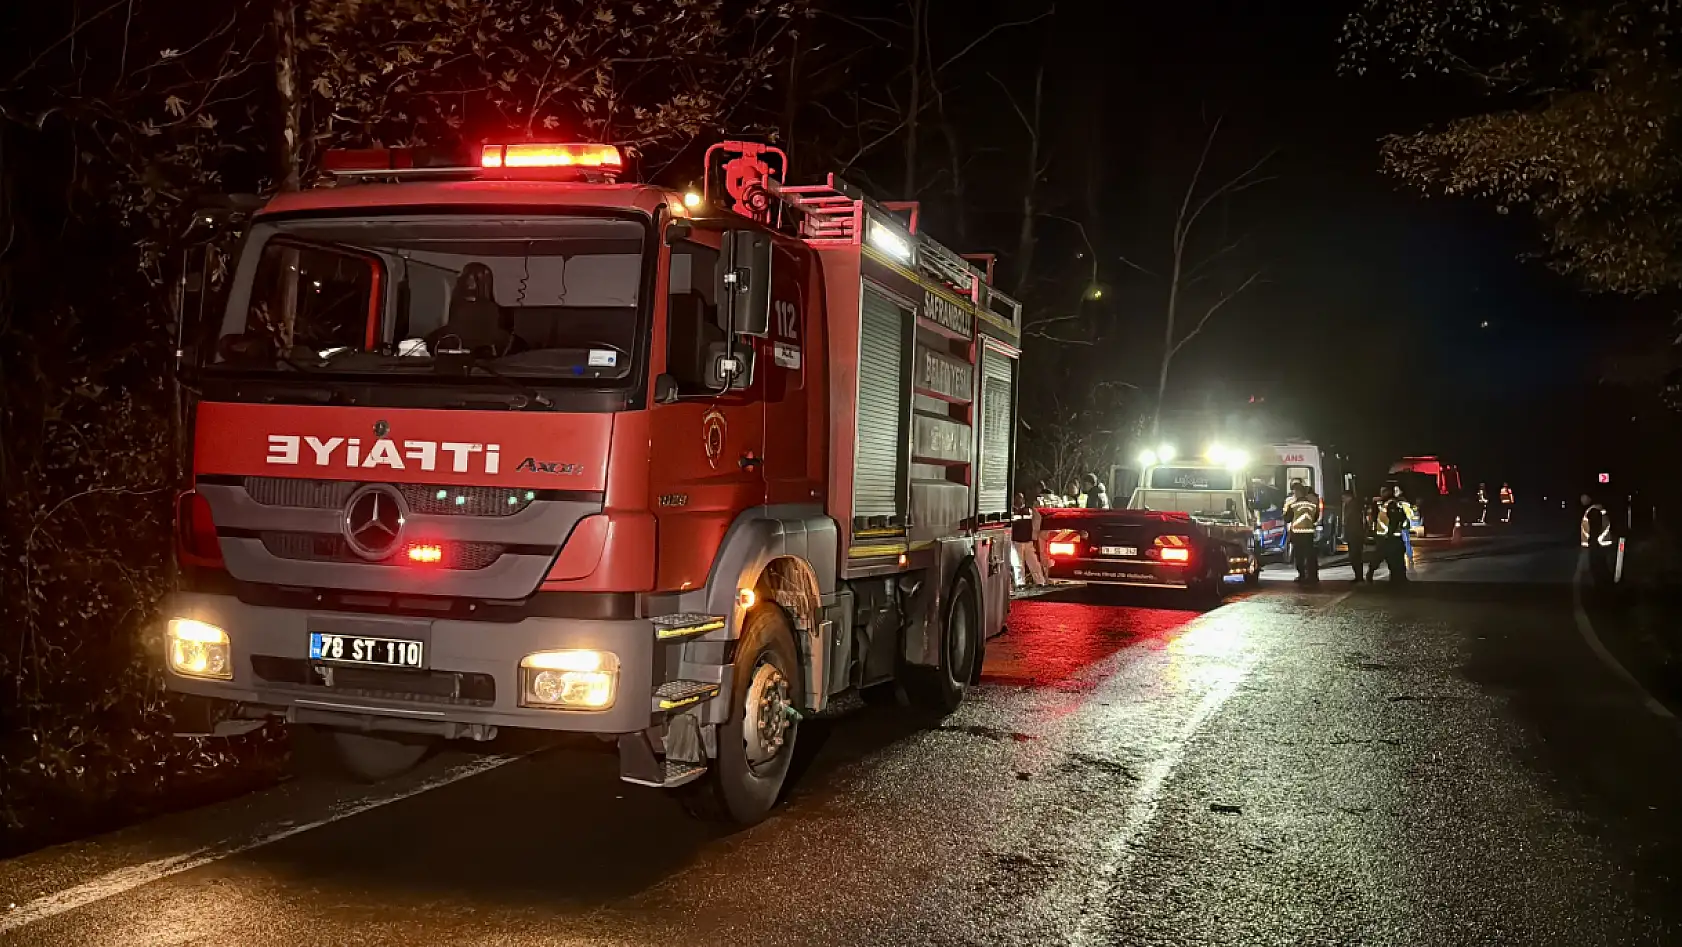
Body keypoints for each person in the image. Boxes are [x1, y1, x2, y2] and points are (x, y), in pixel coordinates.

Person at [1371, 485, 1410, 582]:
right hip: (1387, 537)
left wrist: (1389, 533)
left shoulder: (1391, 504)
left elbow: (1394, 520)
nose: (1381, 494)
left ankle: (1398, 579)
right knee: (1391, 558)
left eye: (1383, 491)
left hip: (1390, 537)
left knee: (1393, 559)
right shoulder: (1385, 503)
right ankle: (1397, 579)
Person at [1287, 482, 1321, 583]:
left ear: (1297, 492)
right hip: (1309, 533)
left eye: (1294, 492)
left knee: (1299, 555)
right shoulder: (1312, 505)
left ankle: (1302, 575)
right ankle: (1313, 576)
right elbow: (1315, 518)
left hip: (1297, 533)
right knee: (1310, 555)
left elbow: (1287, 519)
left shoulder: (1293, 505)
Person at [1012, 493, 1047, 588]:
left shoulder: (1029, 510)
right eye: (1017, 498)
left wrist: (1034, 535)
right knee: (1018, 563)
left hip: (1027, 541)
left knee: (1033, 562)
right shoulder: (1012, 511)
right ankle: (1020, 583)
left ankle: (1040, 581)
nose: (1019, 500)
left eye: (1021, 498)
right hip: (1016, 542)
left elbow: (1037, 519)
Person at [1580, 494, 1614, 587]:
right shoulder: (1597, 509)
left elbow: (1595, 529)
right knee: (1602, 567)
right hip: (1602, 544)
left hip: (1598, 545)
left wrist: (1592, 544)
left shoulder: (1593, 510)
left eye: (1583, 497)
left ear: (1589, 498)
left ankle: (1602, 590)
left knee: (1598, 569)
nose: (1581, 500)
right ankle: (1605, 587)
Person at [1341, 487, 1366, 583]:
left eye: (1344, 497)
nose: (1343, 499)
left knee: (1355, 556)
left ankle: (1359, 577)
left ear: (1349, 497)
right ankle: (1358, 576)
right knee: (1355, 556)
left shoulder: (1353, 506)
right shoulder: (1352, 505)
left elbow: (1353, 522)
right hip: (1354, 535)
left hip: (1355, 535)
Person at [1395, 486, 1418, 568]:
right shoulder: (1405, 502)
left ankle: (1407, 556)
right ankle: (1409, 556)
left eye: (1396, 490)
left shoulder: (1400, 503)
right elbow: (1411, 514)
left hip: (1402, 525)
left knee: (1404, 541)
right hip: (1404, 525)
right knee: (1406, 541)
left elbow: (1409, 514)